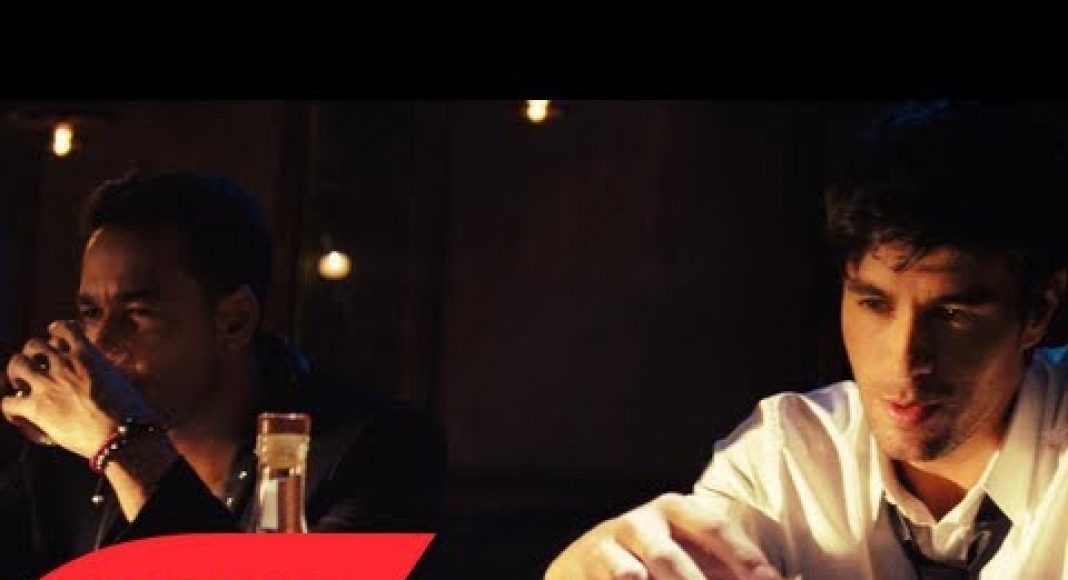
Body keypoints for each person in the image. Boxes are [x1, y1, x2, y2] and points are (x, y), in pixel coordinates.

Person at [546, 102, 1068, 578]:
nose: (905, 358)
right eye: (874, 304)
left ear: (1038, 311)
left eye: (951, 314)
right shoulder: (788, 459)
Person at [0, 172, 445, 577]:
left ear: (234, 321)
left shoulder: (378, 448)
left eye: (138, 315)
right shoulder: (66, 457)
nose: (101, 344)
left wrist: (125, 446)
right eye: (91, 313)